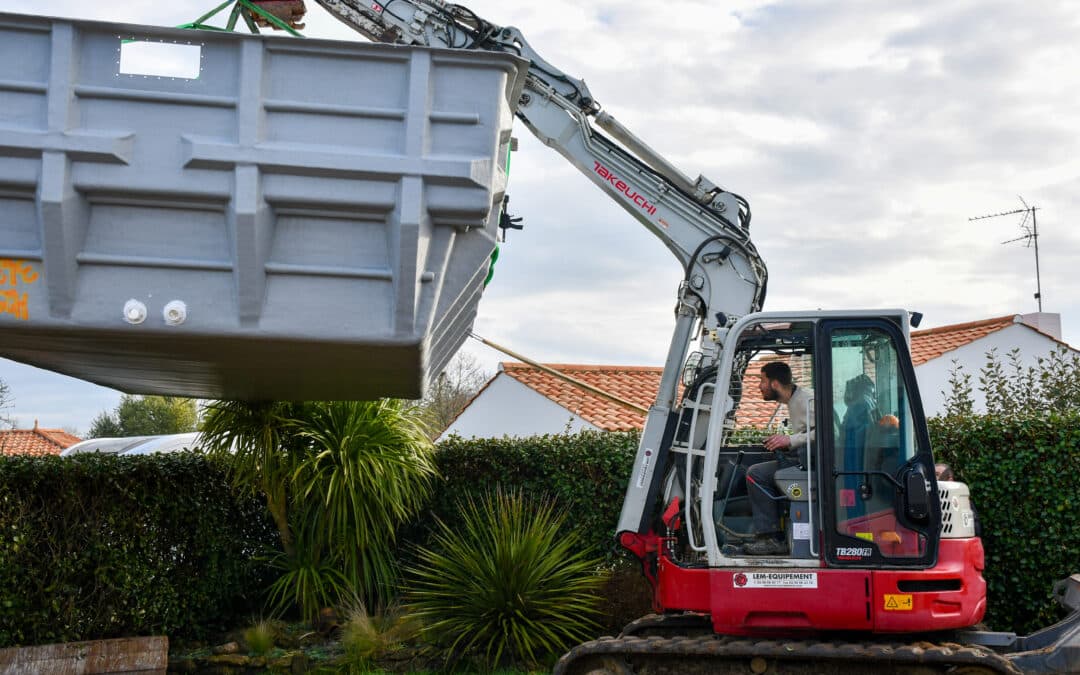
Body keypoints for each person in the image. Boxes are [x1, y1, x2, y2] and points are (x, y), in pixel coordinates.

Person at [740, 361, 814, 555]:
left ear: (774, 384)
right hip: (802, 458)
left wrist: (790, 440)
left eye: (762, 381)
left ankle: (770, 537)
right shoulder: (794, 400)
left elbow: (829, 432)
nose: (759, 386)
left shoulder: (807, 400)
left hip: (812, 464)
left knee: (756, 474)